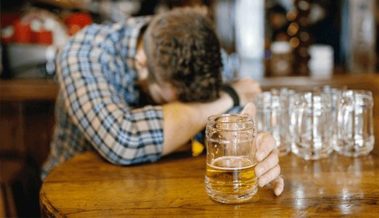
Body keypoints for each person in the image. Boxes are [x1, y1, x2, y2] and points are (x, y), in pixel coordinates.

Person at [42, 7, 284, 196]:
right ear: (141, 62)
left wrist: (257, 147)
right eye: (177, 102)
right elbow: (124, 141)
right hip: (76, 191)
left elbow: (228, 126)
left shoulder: (200, 49)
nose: (186, 110)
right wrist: (229, 95)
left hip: (162, 190)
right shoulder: (84, 53)